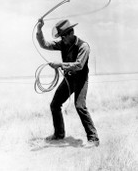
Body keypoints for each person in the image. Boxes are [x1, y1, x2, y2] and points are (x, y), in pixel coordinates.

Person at [36, 19, 99, 147]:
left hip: (81, 80)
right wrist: (39, 30)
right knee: (55, 104)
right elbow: (44, 44)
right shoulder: (63, 44)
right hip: (69, 79)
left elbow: (79, 65)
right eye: (61, 36)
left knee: (80, 106)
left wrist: (60, 64)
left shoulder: (83, 46)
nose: (62, 39)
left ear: (71, 33)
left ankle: (94, 139)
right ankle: (59, 134)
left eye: (64, 36)